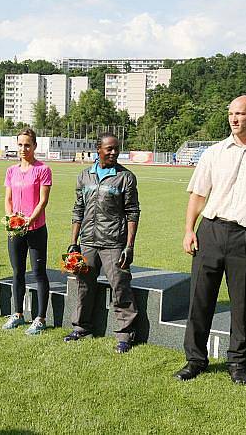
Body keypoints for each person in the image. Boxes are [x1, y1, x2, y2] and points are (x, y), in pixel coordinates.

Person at [173, 96, 246, 385]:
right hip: (211, 231)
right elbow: (198, 194)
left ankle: (238, 362)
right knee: (200, 299)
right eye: (231, 114)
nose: (234, 119)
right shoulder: (214, 152)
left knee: (241, 301)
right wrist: (189, 229)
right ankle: (195, 359)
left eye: (240, 114)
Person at [64, 133, 140, 353]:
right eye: (109, 149)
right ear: (98, 149)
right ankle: (81, 328)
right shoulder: (84, 176)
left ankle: (125, 334)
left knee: (120, 287)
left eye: (116, 148)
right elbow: (78, 209)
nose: (114, 152)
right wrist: (73, 242)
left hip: (114, 243)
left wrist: (129, 245)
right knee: (83, 286)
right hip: (87, 241)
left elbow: (132, 213)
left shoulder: (125, 177)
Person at [1, 128, 52, 335]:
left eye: (27, 145)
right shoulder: (11, 171)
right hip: (16, 230)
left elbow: (43, 200)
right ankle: (18, 314)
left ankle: (40, 318)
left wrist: (30, 219)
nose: (23, 149)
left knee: (38, 273)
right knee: (17, 272)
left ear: (35, 146)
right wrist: (11, 219)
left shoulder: (43, 170)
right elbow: (8, 199)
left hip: (36, 228)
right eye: (20, 145)